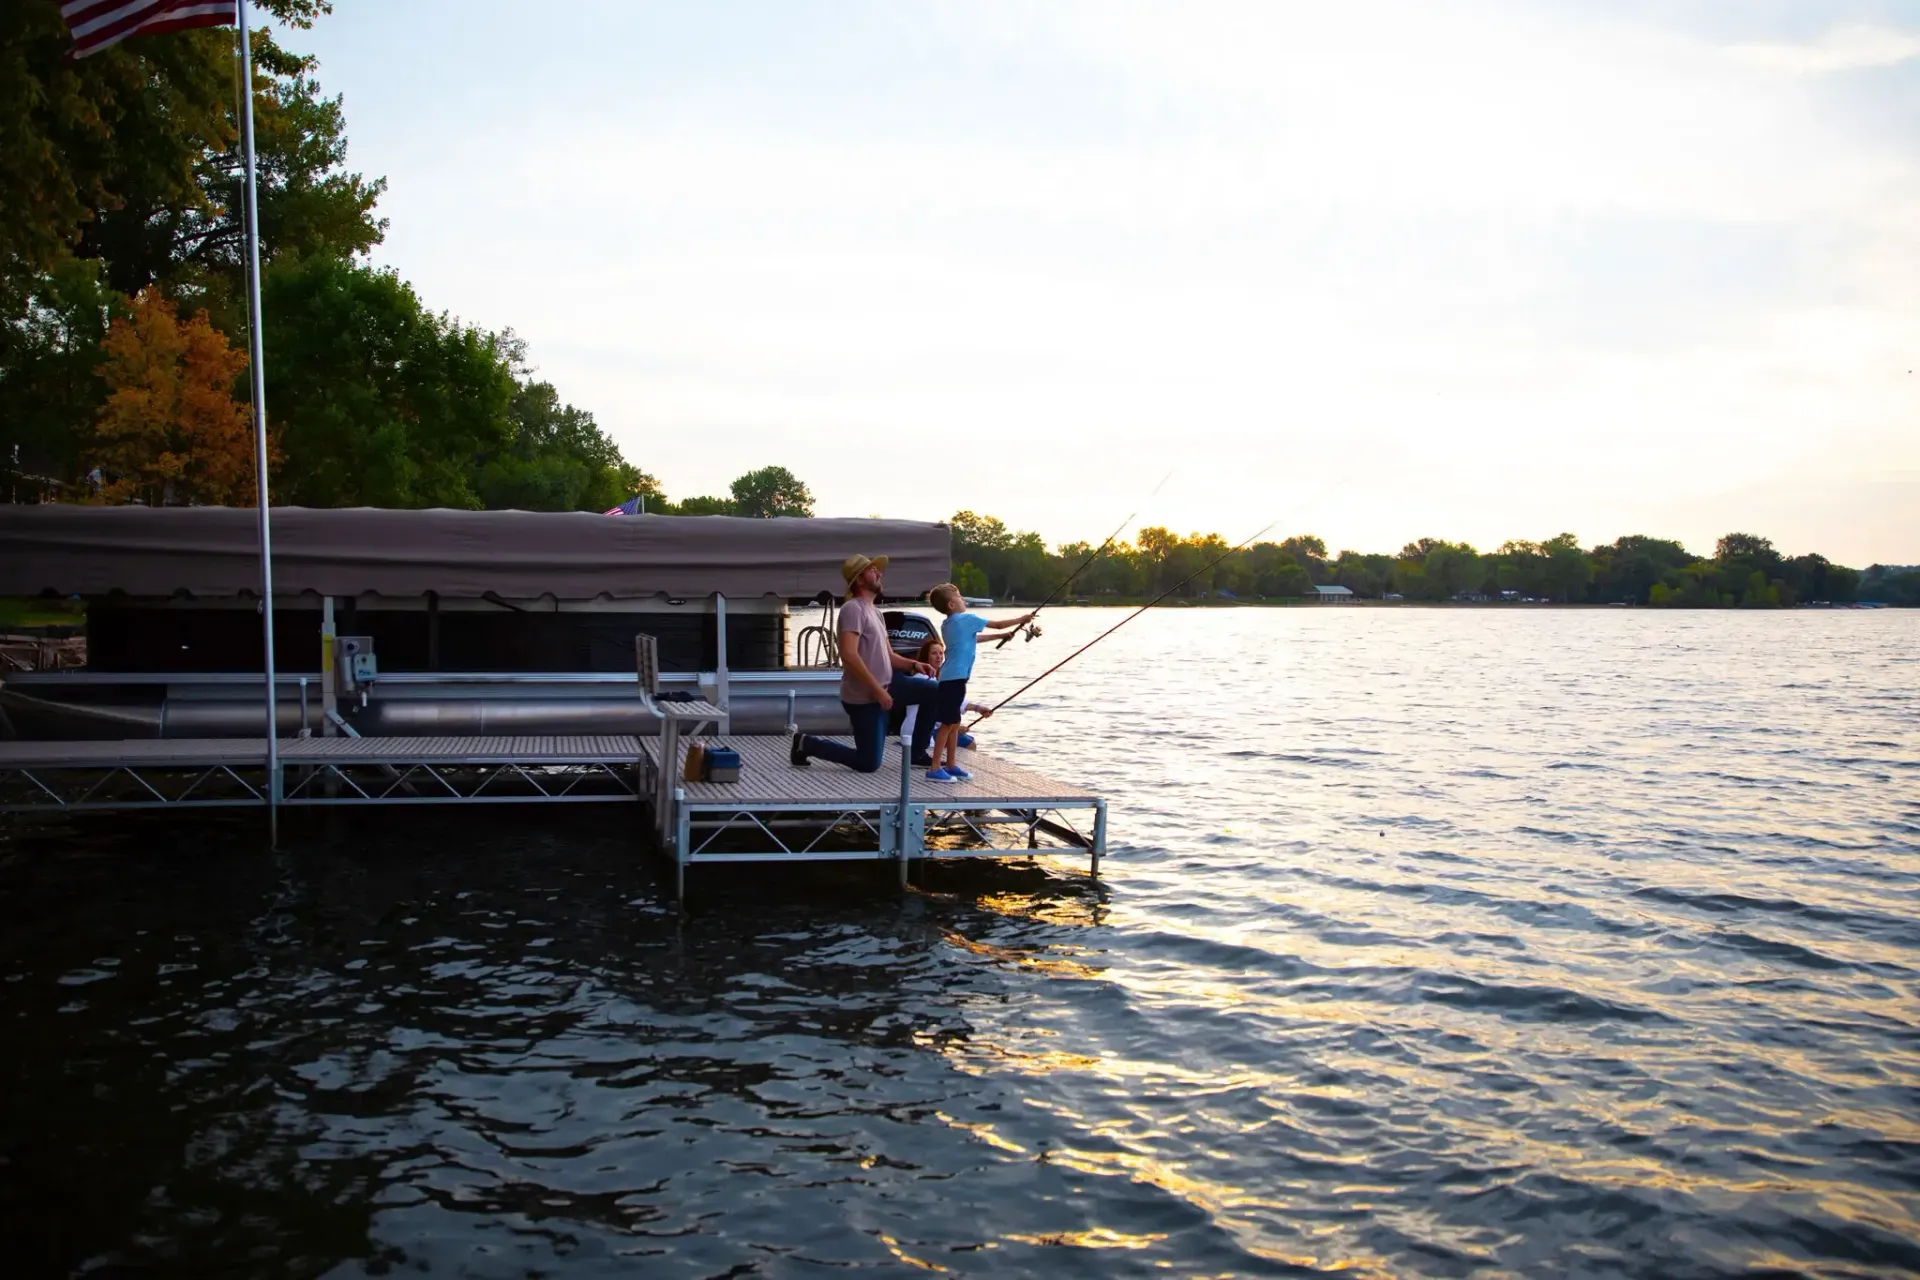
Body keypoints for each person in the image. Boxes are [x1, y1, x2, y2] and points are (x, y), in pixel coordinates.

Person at [792, 554, 940, 773]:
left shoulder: (876, 612)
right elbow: (849, 656)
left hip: (890, 684)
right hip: (865, 697)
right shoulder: (853, 609)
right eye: (872, 571)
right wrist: (878, 692)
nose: (879, 574)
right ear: (860, 580)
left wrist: (913, 665)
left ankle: (917, 752)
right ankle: (806, 743)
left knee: (934, 690)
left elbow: (889, 656)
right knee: (868, 763)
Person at [925, 584, 1033, 782]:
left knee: (955, 723)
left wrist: (1000, 637)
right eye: (959, 597)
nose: (963, 600)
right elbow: (999, 624)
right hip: (954, 679)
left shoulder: (949, 623)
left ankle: (950, 765)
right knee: (948, 724)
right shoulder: (967, 619)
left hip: (951, 678)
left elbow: (973, 639)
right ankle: (934, 768)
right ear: (951, 604)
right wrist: (1021, 619)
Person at [899, 636, 989, 756]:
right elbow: (948, 700)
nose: (939, 656)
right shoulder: (923, 679)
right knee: (970, 743)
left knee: (962, 737)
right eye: (934, 653)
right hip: (919, 731)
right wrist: (954, 728)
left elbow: (954, 700)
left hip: (929, 728)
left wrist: (978, 708)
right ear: (926, 656)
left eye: (941, 653)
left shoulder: (937, 678)